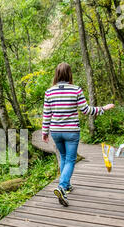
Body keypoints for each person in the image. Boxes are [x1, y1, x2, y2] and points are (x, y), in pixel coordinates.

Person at [42, 62, 115, 207]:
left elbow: (47, 114)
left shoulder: (49, 92)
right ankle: (62, 187)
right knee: (70, 159)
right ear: (69, 74)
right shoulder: (76, 90)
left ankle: (66, 185)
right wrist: (103, 109)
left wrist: (45, 132)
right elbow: (86, 110)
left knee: (63, 157)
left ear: (56, 74)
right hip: (71, 131)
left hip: (56, 131)